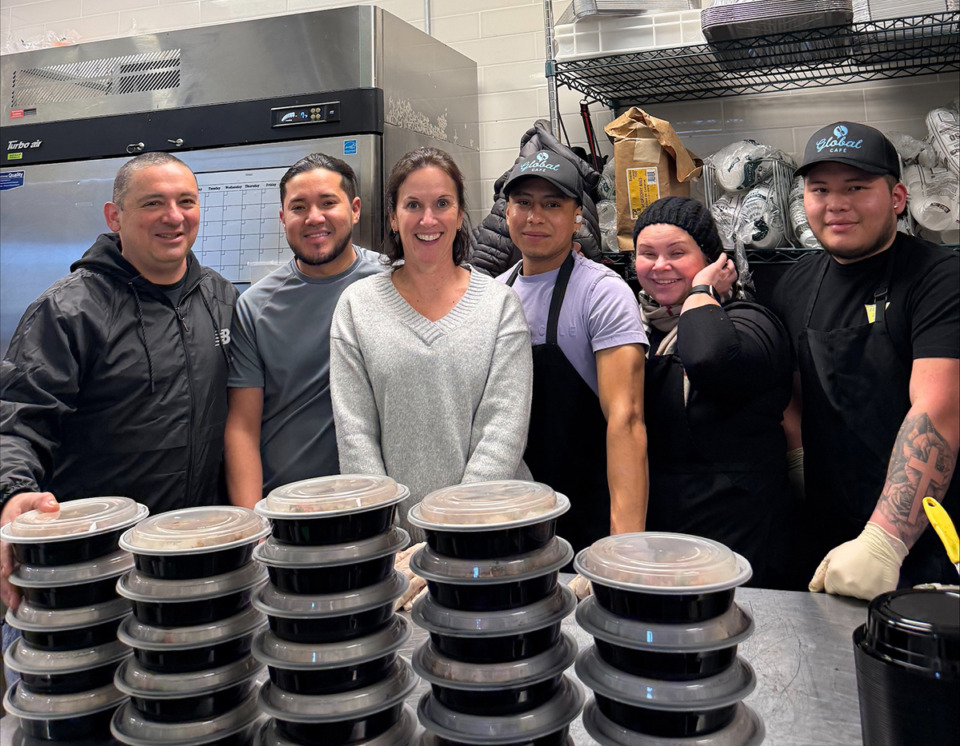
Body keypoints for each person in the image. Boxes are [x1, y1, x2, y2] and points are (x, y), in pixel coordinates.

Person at [0, 152, 237, 612]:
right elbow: (17, 421)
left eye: (186, 201)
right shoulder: (70, 311)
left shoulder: (219, 296)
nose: (173, 216)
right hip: (91, 567)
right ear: (116, 216)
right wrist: (12, 493)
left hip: (193, 558)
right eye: (153, 203)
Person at [772, 121, 959, 599]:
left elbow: (939, 410)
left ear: (897, 198)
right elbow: (793, 396)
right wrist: (797, 466)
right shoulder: (795, 282)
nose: (836, 204)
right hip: (828, 529)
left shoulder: (940, 277)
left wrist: (884, 540)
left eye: (856, 187)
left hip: (921, 538)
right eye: (820, 189)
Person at [330, 147, 533, 542]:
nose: (428, 219)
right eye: (413, 205)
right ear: (393, 217)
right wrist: (389, 532)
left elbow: (503, 431)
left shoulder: (499, 305)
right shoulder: (357, 306)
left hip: (488, 532)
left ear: (459, 216)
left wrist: (452, 530)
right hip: (391, 540)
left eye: (442, 203)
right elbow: (355, 435)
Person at [634, 197, 794, 587]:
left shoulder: (749, 320)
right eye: (647, 253)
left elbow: (708, 358)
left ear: (711, 259)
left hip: (739, 534)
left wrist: (701, 289)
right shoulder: (636, 331)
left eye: (677, 252)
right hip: (663, 535)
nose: (660, 266)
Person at [498, 150, 649, 556]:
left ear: (577, 216)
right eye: (524, 203)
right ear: (507, 211)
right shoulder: (493, 295)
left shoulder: (603, 293)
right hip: (515, 514)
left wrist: (623, 548)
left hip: (589, 518)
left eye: (552, 204)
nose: (535, 217)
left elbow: (627, 420)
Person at [224, 154, 383, 508]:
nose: (314, 218)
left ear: (355, 209)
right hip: (287, 508)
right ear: (283, 218)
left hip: (377, 501)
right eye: (299, 207)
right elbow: (242, 429)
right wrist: (253, 524)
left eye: (328, 203)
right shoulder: (255, 307)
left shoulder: (392, 282)